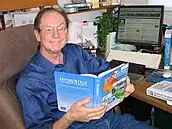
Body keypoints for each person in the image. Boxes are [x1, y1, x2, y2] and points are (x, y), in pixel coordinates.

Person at [16, 7, 155, 129]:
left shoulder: (74, 52)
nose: (56, 35)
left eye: (61, 28)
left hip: (111, 121)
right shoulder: (29, 82)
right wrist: (69, 117)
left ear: (66, 31)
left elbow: (105, 70)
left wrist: (122, 83)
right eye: (48, 30)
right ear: (37, 34)